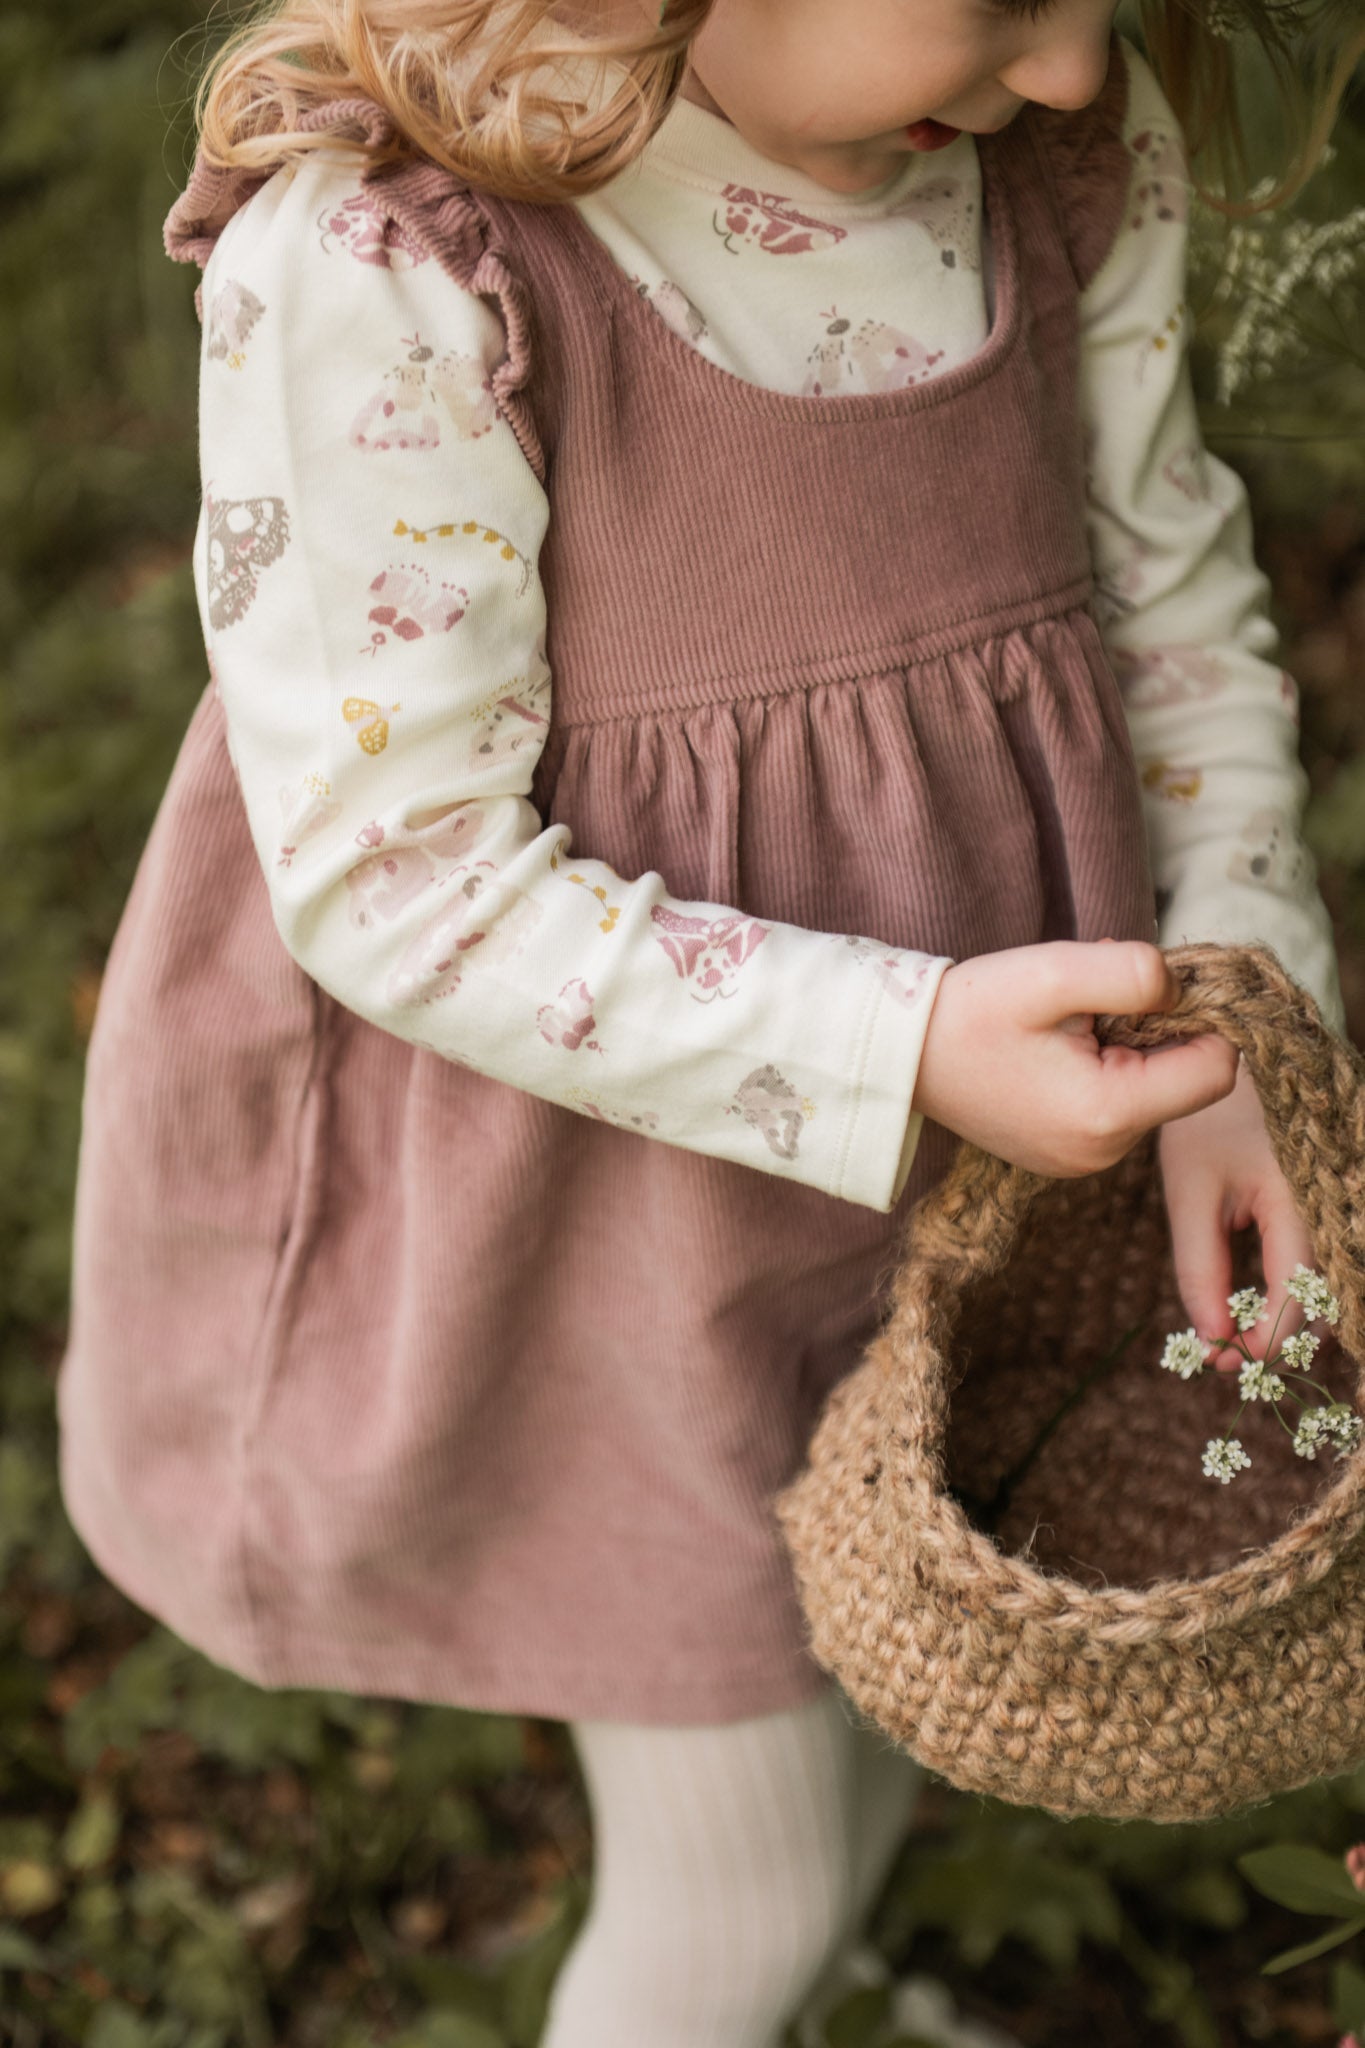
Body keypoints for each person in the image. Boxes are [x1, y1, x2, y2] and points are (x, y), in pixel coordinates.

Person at [58, 0, 1363, 2040]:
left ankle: (819, 1975)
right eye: (1006, 1)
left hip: (983, 1155)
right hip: (605, 1214)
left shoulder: (1043, 164)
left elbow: (1170, 610)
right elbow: (404, 875)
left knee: (901, 1634)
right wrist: (903, 1041)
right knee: (728, 1862)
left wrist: (1236, 1032)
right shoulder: (404, 258)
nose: (1071, 74)